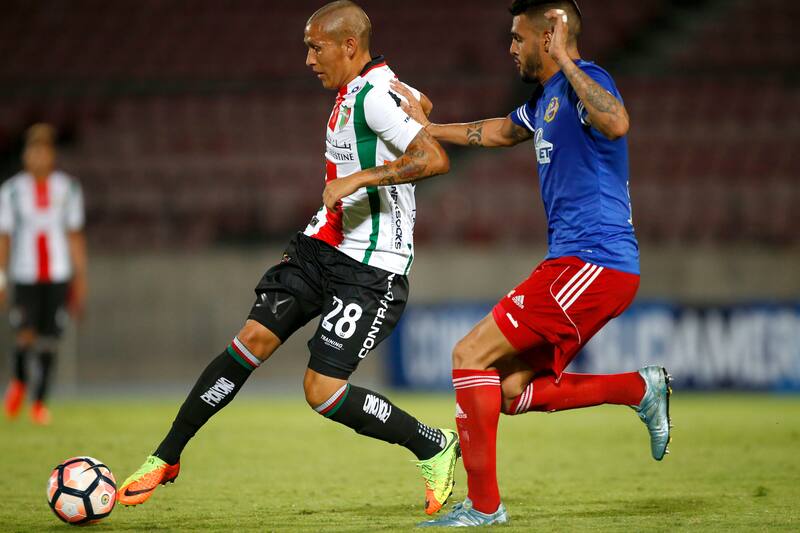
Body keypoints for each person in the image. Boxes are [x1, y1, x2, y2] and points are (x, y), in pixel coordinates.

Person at [118, 0, 461, 516]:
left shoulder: (372, 97)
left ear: (350, 45)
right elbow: (423, 103)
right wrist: (416, 109)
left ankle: (431, 444)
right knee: (251, 340)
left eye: (316, 48)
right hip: (319, 246)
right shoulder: (375, 84)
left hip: (371, 268)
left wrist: (360, 178)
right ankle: (165, 456)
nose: (308, 60)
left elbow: (433, 157)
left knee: (322, 391)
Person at [389, 0, 672, 526]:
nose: (511, 49)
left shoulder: (587, 79)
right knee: (510, 390)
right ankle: (640, 389)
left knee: (469, 354)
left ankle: (484, 507)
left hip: (594, 260)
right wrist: (429, 128)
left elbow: (616, 122)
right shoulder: (546, 99)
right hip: (577, 262)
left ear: (548, 37)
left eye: (518, 38)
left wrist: (565, 59)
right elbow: (501, 130)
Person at [1, 123, 88, 425]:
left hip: (58, 273)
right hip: (25, 273)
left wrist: (80, 277)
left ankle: (39, 403)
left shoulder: (69, 189)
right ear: (25, 155)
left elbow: (75, 236)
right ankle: (20, 380)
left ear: (52, 155)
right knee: (25, 335)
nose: (38, 156)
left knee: (50, 340)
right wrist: (1, 277)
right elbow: (4, 237)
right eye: (33, 150)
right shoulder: (12, 191)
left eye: (44, 150)